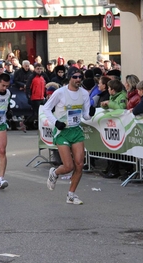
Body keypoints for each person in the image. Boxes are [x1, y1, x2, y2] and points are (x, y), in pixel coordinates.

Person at [43, 67, 96, 205]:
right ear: (70, 78)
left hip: (76, 130)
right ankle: (54, 173)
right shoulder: (60, 93)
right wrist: (56, 122)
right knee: (68, 166)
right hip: (62, 131)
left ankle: (71, 195)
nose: (78, 79)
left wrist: (90, 113)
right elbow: (46, 108)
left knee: (79, 164)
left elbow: (85, 116)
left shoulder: (84, 94)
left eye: (80, 77)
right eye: (75, 77)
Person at [100, 79, 127, 179]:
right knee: (110, 147)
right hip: (113, 126)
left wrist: (109, 103)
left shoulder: (122, 96)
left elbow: (122, 107)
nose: (107, 90)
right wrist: (105, 105)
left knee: (116, 149)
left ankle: (116, 170)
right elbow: (111, 108)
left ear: (113, 90)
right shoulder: (113, 96)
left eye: (109, 88)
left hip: (120, 126)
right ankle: (111, 168)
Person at [24, 63, 49, 129]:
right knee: (36, 113)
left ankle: (31, 124)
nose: (39, 70)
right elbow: (28, 87)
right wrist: (29, 97)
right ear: (34, 69)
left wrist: (45, 95)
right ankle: (26, 123)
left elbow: (45, 87)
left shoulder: (43, 77)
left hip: (41, 98)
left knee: (40, 113)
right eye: (38, 69)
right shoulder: (32, 77)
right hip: (35, 98)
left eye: (40, 69)